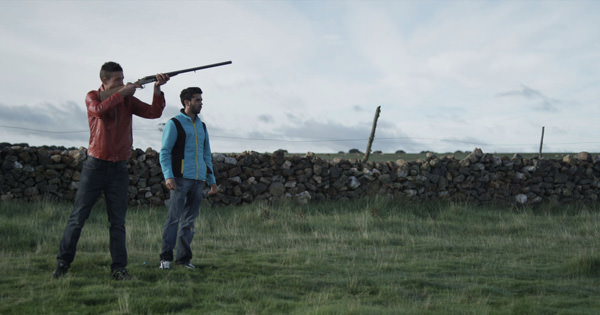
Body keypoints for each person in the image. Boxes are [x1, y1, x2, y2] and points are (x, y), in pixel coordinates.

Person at [52, 61, 170, 280]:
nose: (123, 83)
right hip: (95, 165)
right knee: (78, 218)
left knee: (118, 222)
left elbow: (154, 112)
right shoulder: (93, 96)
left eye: (123, 79)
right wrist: (122, 93)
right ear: (104, 82)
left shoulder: (127, 99)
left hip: (119, 167)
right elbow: (98, 110)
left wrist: (157, 88)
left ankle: (119, 269)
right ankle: (62, 263)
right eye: (117, 80)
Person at [158, 87, 218, 270]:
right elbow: (165, 152)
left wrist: (212, 179)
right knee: (173, 219)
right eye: (197, 100)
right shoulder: (174, 124)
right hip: (180, 179)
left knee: (189, 222)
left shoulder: (202, 126)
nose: (201, 103)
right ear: (187, 102)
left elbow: (206, 154)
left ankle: (184, 259)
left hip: (198, 180)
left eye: (201, 99)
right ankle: (165, 258)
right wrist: (168, 176)